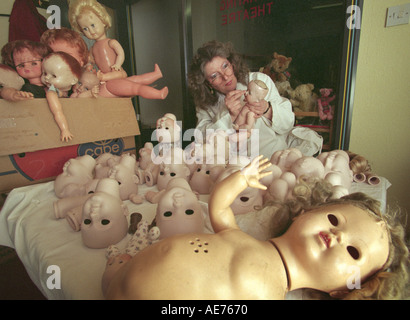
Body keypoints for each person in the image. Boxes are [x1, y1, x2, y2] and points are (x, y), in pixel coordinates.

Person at [103, 156, 408, 300]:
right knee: (116, 267)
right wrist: (241, 179)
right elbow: (219, 208)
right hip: (125, 277)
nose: (339, 236)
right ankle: (118, 263)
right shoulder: (241, 237)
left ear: (344, 290)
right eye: (333, 219)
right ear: (304, 213)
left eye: (354, 252)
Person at [188, 41, 322, 161]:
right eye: (214, 76)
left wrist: (267, 109)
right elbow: (201, 139)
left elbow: (288, 122)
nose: (225, 76)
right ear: (207, 84)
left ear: (232, 64)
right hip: (234, 165)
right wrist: (229, 117)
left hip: (274, 157)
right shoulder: (205, 103)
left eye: (225, 66)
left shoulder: (259, 80)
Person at [68, 0, 168, 100]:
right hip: (108, 78)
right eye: (85, 29)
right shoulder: (93, 48)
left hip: (115, 73)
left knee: (136, 87)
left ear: (103, 21)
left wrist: (118, 64)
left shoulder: (110, 42)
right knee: (136, 80)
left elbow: (120, 53)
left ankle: (158, 94)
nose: (91, 31)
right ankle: (156, 74)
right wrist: (88, 65)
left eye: (93, 25)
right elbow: (90, 61)